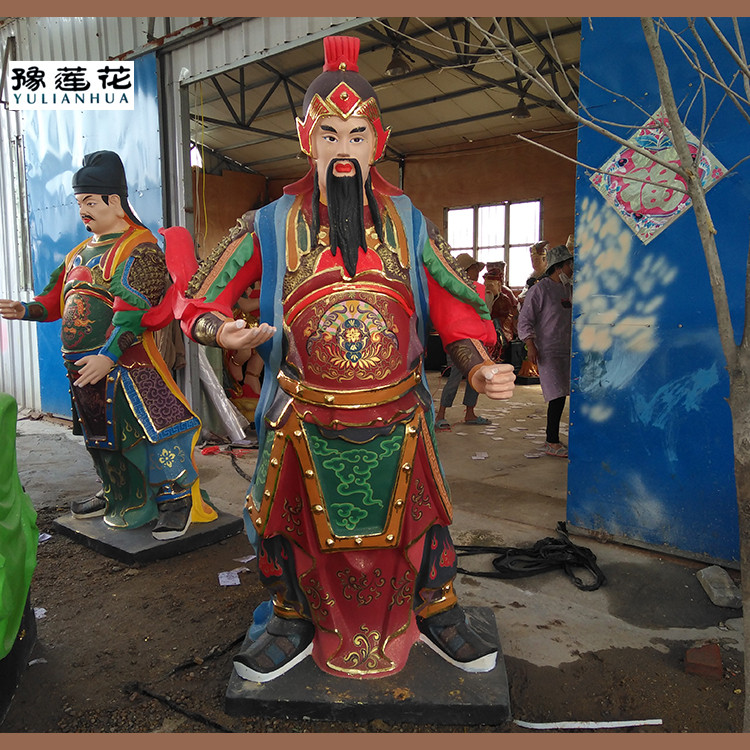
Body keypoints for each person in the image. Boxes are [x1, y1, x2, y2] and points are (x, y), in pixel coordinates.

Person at [168, 35, 516, 682]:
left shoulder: (410, 222)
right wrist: (224, 334)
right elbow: (197, 299)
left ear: (377, 142)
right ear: (307, 140)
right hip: (303, 418)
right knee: (285, 525)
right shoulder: (267, 224)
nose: (344, 151)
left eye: (356, 136)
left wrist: (476, 366)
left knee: (423, 524)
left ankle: (437, 609)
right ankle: (291, 616)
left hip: (401, 417)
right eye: (330, 136)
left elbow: (452, 304)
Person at [0, 151, 216, 539]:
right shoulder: (78, 253)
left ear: (114, 202)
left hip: (128, 365)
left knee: (153, 431)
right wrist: (25, 309)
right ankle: (117, 493)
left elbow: (132, 312)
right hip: (84, 368)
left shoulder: (138, 248)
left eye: (90, 202)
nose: (82, 210)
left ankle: (173, 499)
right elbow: (54, 301)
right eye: (79, 202)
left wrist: (108, 355)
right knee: (99, 438)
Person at [517, 243, 573, 458]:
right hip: (548, 351)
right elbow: (525, 320)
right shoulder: (540, 289)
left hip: (568, 349)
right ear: (558, 266)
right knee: (557, 395)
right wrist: (530, 345)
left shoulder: (568, 289)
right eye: (569, 265)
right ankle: (551, 440)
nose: (572, 269)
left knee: (567, 393)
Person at [434, 253, 492, 429]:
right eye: (475, 269)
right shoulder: (451, 290)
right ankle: (440, 415)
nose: (477, 272)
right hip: (458, 339)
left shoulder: (476, 289)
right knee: (455, 376)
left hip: (474, 339)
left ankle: (469, 413)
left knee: (476, 375)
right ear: (466, 271)